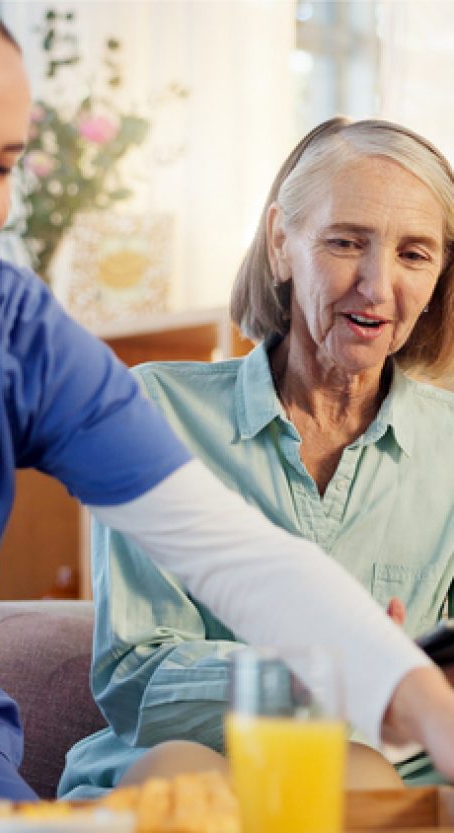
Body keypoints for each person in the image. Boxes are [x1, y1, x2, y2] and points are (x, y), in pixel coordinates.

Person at [0, 1, 454, 801]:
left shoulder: (10, 332)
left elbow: (232, 550)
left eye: (2, 165)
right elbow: (139, 669)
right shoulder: (173, 394)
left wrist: (413, 700)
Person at [59, 116, 454, 799]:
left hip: (379, 782)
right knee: (186, 777)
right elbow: (135, 673)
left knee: (361, 776)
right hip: (178, 769)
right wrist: (319, 672)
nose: (376, 283)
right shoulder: (159, 407)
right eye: (345, 241)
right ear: (281, 243)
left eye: (413, 254)